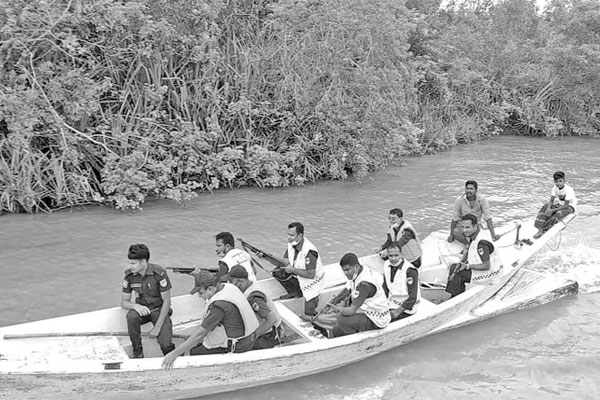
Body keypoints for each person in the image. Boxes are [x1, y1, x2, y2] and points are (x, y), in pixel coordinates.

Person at [161, 271, 259, 369]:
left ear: (211, 289)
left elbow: (200, 334)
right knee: (197, 343)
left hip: (238, 347)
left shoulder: (218, 305)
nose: (199, 296)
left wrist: (174, 354)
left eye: (201, 293)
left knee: (195, 352)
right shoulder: (229, 287)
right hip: (249, 339)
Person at [121, 244, 175, 358]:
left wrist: (157, 328)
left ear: (144, 262)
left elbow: (167, 301)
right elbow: (124, 302)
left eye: (133, 263)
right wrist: (136, 306)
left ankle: (173, 357)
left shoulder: (159, 273)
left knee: (166, 345)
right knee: (131, 317)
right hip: (143, 310)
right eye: (129, 263)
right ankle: (138, 352)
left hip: (159, 310)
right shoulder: (129, 276)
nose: (130, 266)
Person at [327, 253, 390, 337]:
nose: (345, 273)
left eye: (347, 270)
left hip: (376, 318)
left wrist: (337, 309)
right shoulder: (360, 270)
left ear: (356, 267)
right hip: (366, 309)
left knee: (342, 320)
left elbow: (352, 310)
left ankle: (352, 336)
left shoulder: (364, 285)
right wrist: (335, 300)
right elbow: (347, 289)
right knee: (341, 316)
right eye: (343, 270)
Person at [445, 214, 503, 298]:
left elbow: (486, 266)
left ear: (475, 226)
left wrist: (467, 266)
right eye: (463, 227)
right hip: (486, 266)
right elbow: (469, 251)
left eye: (467, 227)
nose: (464, 230)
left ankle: (456, 297)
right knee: (454, 267)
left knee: (459, 275)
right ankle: (457, 293)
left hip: (490, 273)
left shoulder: (482, 243)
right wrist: (462, 263)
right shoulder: (474, 235)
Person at [226, 265, 282, 349]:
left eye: (232, 282)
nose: (231, 285)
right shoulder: (249, 287)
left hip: (268, 335)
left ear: (240, 280)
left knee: (236, 348)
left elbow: (271, 319)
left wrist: (253, 336)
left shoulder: (254, 297)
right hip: (262, 330)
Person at [280, 222, 326, 317]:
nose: (288, 237)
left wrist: (292, 270)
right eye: (288, 234)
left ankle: (319, 319)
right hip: (299, 274)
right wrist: (267, 257)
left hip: (312, 282)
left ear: (300, 235)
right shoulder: (292, 244)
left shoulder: (309, 251)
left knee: (308, 311)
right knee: (278, 272)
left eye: (292, 235)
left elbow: (311, 275)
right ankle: (296, 291)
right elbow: (285, 259)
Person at [447, 180, 500, 245]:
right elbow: (455, 218)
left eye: (471, 189)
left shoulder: (482, 200)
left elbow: (488, 217)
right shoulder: (459, 200)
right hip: (463, 226)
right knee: (456, 232)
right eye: (467, 188)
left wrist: (493, 235)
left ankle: (472, 242)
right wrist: (451, 235)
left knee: (480, 236)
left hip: (475, 226)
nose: (468, 191)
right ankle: (467, 244)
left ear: (476, 190)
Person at [533, 171, 577, 239]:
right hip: (560, 204)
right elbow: (551, 200)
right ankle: (540, 228)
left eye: (560, 181)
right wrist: (549, 208)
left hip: (570, 207)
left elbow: (566, 206)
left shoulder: (569, 190)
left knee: (558, 213)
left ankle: (545, 229)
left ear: (564, 181)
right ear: (554, 182)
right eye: (556, 181)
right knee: (546, 205)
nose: (558, 183)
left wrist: (552, 210)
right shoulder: (554, 188)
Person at [382, 242, 420, 321]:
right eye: (390, 256)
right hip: (391, 303)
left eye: (396, 255)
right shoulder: (386, 265)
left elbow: (412, 298)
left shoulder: (410, 270)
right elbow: (385, 288)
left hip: (406, 308)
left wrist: (398, 311)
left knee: (384, 321)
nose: (393, 259)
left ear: (401, 254)